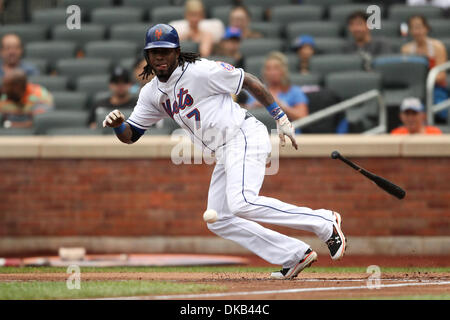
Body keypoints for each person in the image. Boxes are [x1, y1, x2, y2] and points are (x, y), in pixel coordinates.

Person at [102, 24, 346, 280]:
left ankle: (325, 222)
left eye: (165, 51)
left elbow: (249, 81)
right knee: (218, 219)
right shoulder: (151, 93)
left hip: (243, 134)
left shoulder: (200, 71)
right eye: (154, 52)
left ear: (177, 52)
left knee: (243, 201)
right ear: (147, 56)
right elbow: (132, 135)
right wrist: (120, 126)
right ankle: (293, 254)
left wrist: (280, 116)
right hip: (224, 150)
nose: (159, 57)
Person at [401, 15, 449, 121]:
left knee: (439, 106)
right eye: (413, 28)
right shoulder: (406, 49)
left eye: (419, 27)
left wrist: (423, 80)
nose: (417, 31)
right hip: (414, 89)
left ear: (426, 28)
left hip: (435, 88)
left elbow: (441, 76)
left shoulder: (438, 47)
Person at [246, 52, 309, 123]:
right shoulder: (257, 90)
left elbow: (304, 118)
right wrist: (254, 107)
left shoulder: (295, 91)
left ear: (284, 71)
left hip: (288, 132)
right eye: (268, 69)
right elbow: (246, 115)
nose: (272, 72)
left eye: (276, 68)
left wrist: (277, 105)